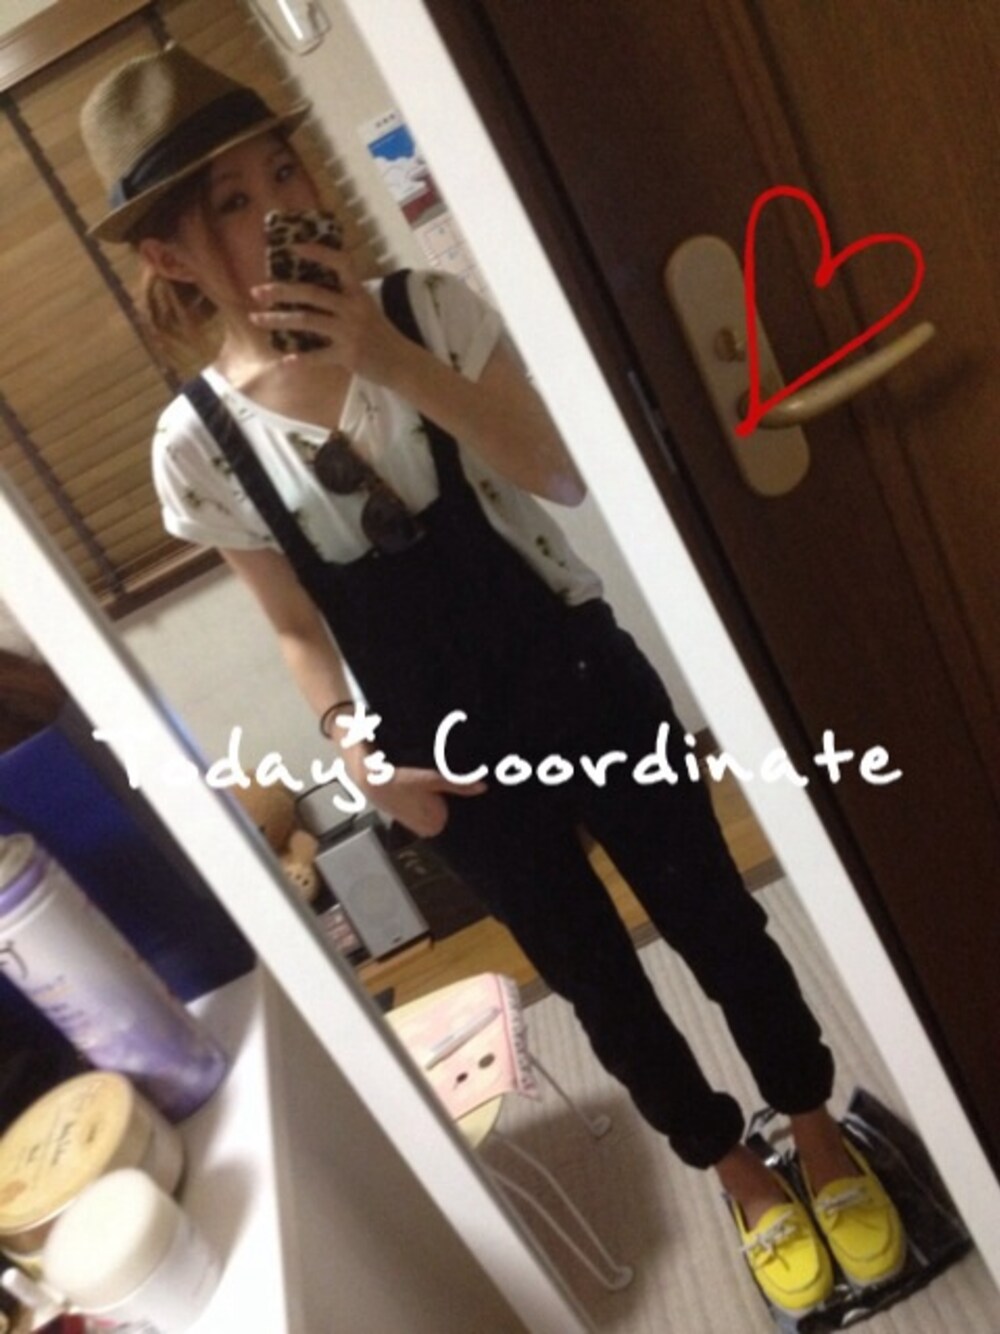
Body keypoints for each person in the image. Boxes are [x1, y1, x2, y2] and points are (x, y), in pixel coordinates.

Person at [80, 45, 904, 1315]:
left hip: (580, 678)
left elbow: (556, 475)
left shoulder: (426, 310)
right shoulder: (198, 445)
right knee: (595, 979)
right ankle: (737, 1170)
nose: (280, 205)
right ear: (170, 254)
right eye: (233, 201)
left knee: (718, 919)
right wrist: (355, 750)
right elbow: (295, 626)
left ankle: (814, 1125)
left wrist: (385, 355)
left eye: (283, 171)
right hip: (444, 762)